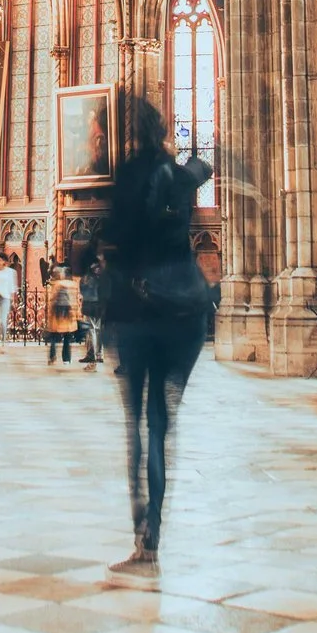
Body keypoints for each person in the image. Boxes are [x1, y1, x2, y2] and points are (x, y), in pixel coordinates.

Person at [99, 93, 213, 583]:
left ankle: (145, 537)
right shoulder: (179, 174)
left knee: (138, 425)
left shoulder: (129, 174)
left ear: (124, 132)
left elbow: (119, 239)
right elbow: (206, 164)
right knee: (162, 424)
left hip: (143, 311)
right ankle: (155, 532)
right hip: (186, 311)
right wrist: (192, 161)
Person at [44, 264, 81, 364]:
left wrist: (49, 315)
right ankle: (66, 359)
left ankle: (52, 357)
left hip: (57, 315)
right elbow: (76, 300)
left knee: (53, 338)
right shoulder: (73, 284)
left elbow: (52, 300)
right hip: (69, 316)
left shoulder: (56, 284)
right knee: (67, 339)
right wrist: (77, 314)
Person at [78, 249, 107, 371]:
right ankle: (97, 355)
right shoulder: (100, 278)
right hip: (97, 306)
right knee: (97, 331)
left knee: (93, 331)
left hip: (92, 306)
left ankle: (94, 357)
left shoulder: (88, 278)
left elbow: (83, 291)